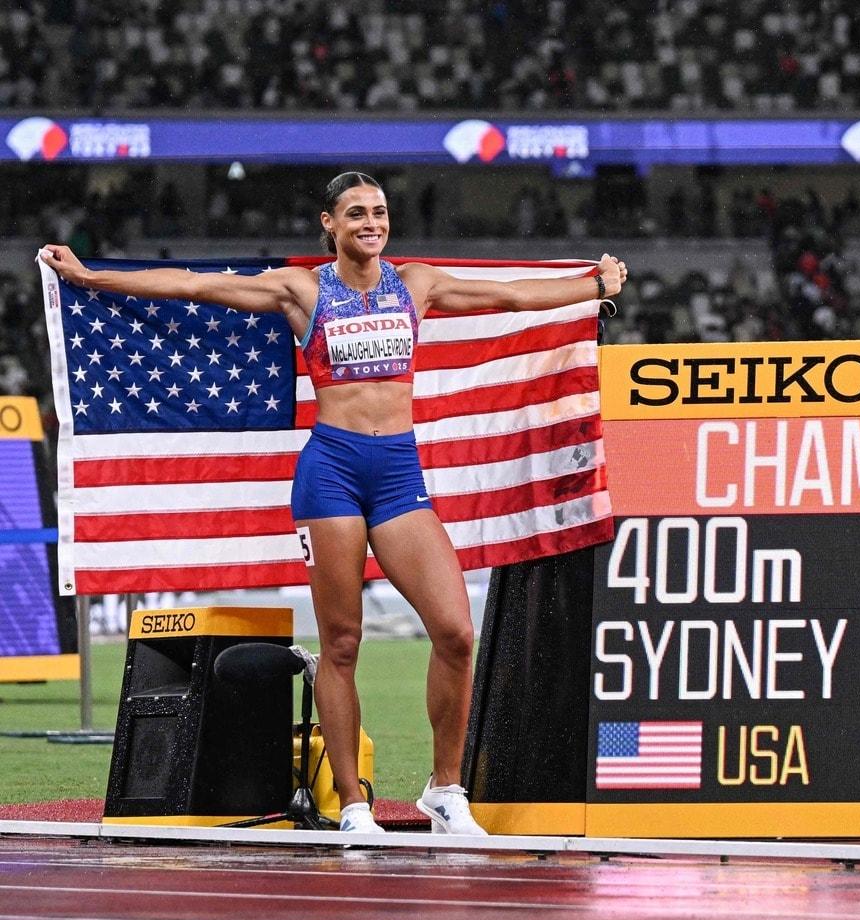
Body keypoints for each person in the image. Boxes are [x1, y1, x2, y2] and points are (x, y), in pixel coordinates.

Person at [40, 171, 628, 836]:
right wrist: (91, 277)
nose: (371, 223)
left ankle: (444, 789)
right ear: (330, 224)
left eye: (379, 212)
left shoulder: (416, 283)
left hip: (398, 474)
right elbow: (196, 287)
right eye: (356, 214)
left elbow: (511, 295)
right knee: (342, 643)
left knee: (456, 633)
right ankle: (353, 804)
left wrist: (594, 287)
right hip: (332, 476)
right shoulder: (304, 290)